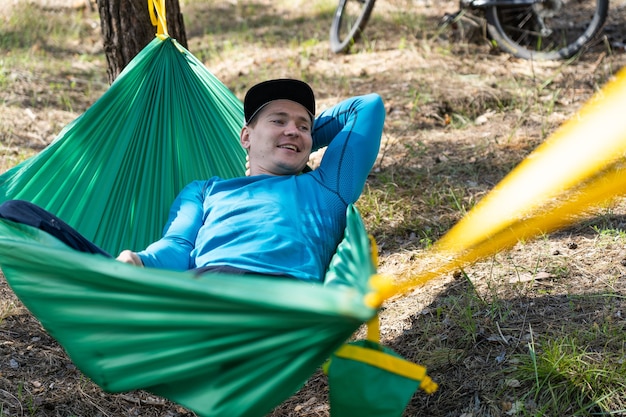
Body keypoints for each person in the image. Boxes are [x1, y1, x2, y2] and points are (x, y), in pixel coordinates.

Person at [0, 79, 385, 282]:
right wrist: (142, 262)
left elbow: (367, 107)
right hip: (202, 300)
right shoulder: (205, 191)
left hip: (285, 305)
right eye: (278, 120)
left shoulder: (327, 188)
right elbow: (178, 246)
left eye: (303, 125)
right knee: (16, 211)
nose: (293, 129)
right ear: (246, 137)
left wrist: (297, 142)